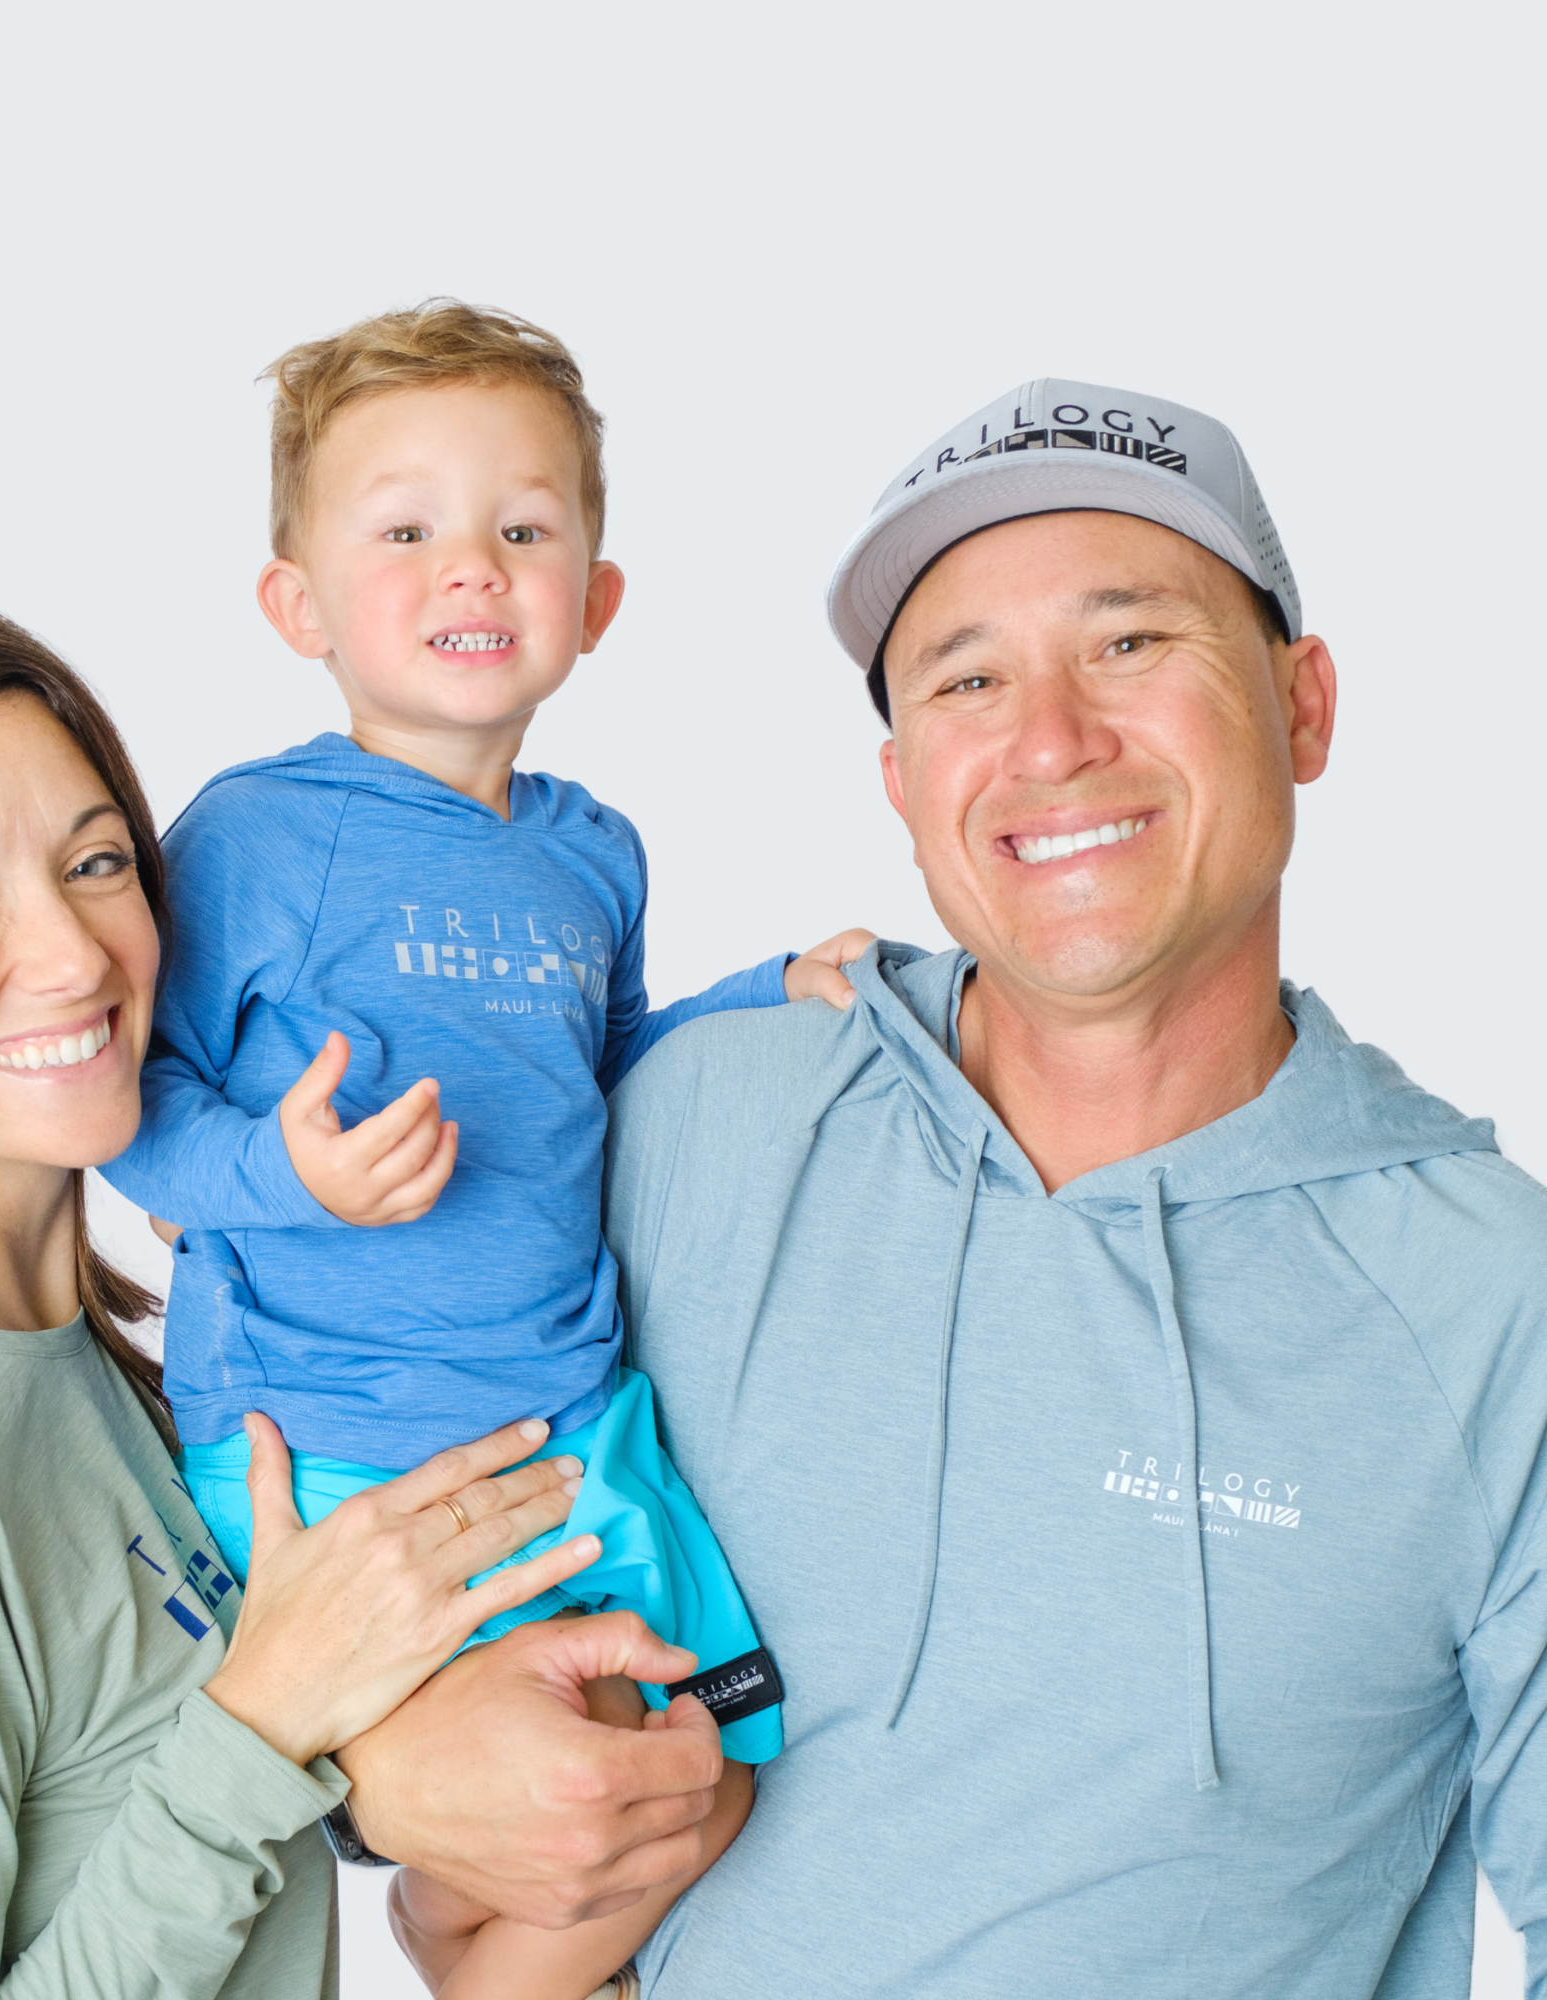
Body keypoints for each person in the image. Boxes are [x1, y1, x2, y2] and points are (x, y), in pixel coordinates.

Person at [0, 583, 726, 1999]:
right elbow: (223, 1761)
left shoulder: (91, 1355)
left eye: (97, 861)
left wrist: (367, 1769)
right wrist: (272, 1723)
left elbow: (139, 1806)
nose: (72, 956)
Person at [597, 379, 1547, 1995]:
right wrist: (394, 1793)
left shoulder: (1491, 1304)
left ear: (1304, 708)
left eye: (1130, 642)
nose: (1051, 740)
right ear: (904, 784)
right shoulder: (694, 1120)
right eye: (968, 678)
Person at [101, 301, 870, 2000]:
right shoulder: (255, 836)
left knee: (710, 1766)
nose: (472, 567)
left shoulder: (597, 853)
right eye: (406, 531)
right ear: (297, 604)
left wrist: (763, 992)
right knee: (568, 1787)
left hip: (565, 1421)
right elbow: (125, 1106)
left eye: (523, 530)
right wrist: (286, 1178)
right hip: (340, 1450)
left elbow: (598, 1069)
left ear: (596, 598)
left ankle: (462, 1950)